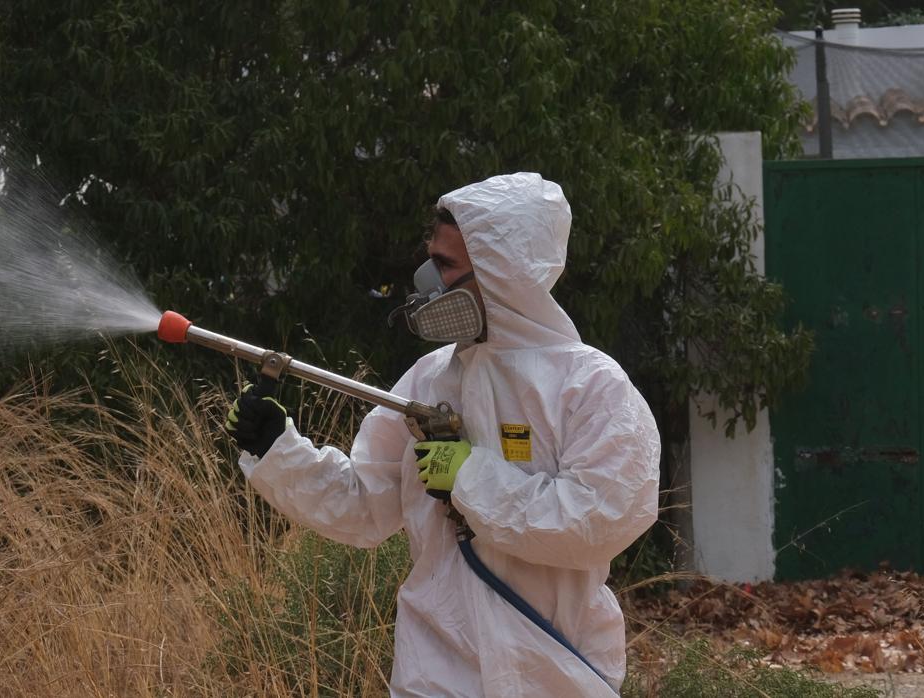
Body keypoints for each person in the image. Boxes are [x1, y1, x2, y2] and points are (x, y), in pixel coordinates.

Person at [227, 172, 660, 696]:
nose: (427, 280)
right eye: (431, 259)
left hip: (554, 667)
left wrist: (469, 478)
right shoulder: (431, 379)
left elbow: (600, 521)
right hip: (436, 669)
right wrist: (277, 448)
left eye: (447, 266)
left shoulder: (589, 387)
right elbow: (364, 505)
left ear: (503, 274)